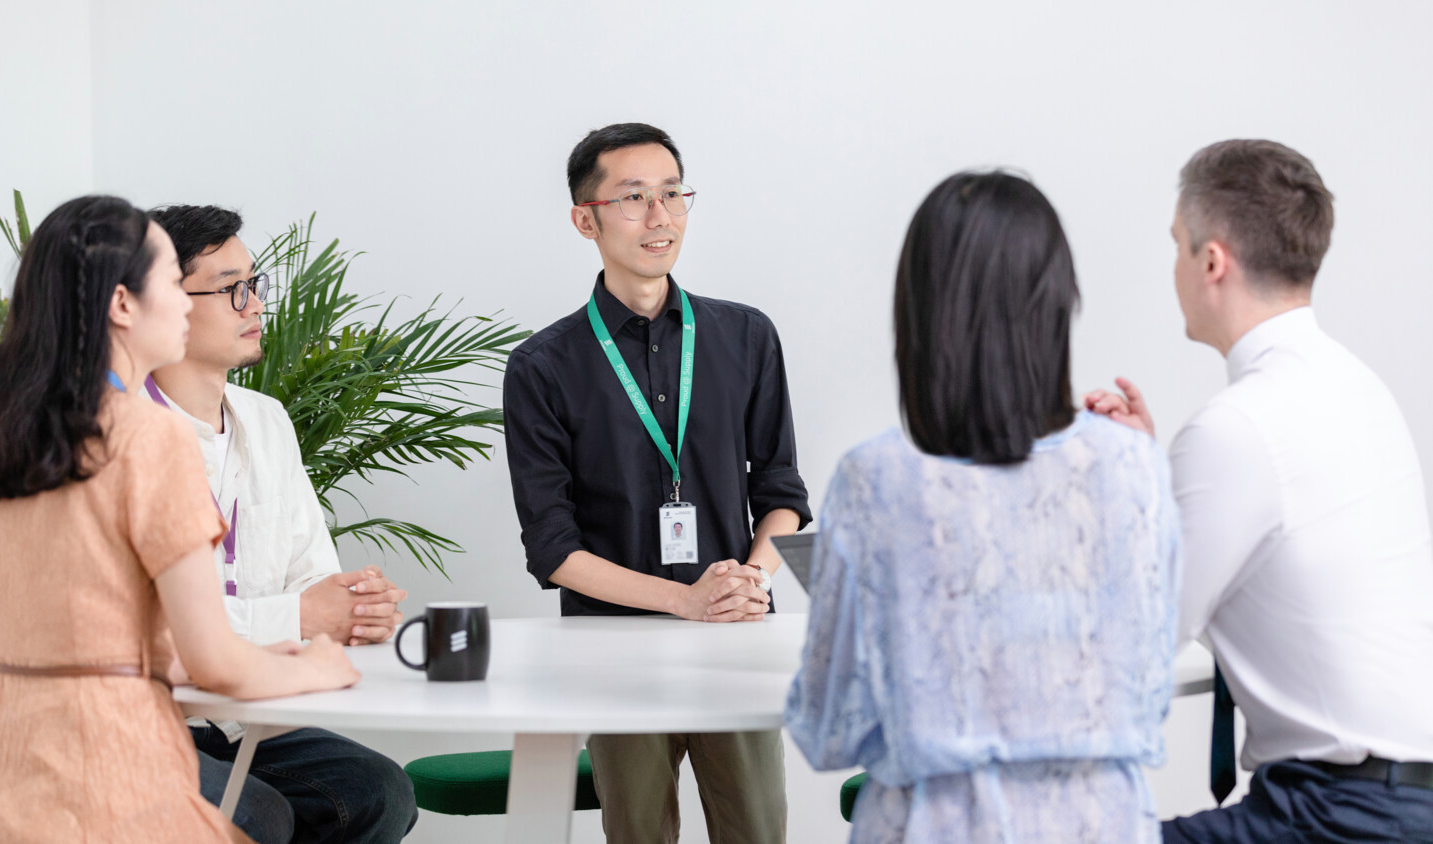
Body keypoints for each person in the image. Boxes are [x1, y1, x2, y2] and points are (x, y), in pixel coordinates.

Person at [0, 195, 359, 843]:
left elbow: (92, 630)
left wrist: (251, 651)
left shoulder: (4, 431)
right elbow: (215, 663)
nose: (187, 305)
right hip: (114, 776)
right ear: (123, 303)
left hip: (7, 768)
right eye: (171, 283)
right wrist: (317, 669)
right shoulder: (148, 435)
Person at [786, 172, 1182, 843]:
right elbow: (1148, 691)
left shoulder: (875, 480)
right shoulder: (1135, 464)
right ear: (1059, 305)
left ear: (919, 314)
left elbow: (827, 729)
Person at [1085, 139, 1433, 842]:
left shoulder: (1237, 428)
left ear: (1211, 262)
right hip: (1397, 801)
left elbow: (1133, 649)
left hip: (1340, 816)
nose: (1174, 267)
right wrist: (1156, 476)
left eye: (1177, 246)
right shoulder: (1357, 389)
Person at [503, 122, 813, 844]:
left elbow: (783, 494)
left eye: (673, 194)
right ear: (586, 219)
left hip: (735, 641)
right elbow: (552, 548)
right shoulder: (543, 366)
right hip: (613, 650)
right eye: (634, 197)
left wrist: (746, 581)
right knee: (639, 834)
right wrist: (684, 600)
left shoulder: (746, 336)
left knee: (757, 831)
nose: (661, 217)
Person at [147, 205, 419, 844]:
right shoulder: (121, 434)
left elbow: (315, 577)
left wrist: (353, 608)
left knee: (377, 792)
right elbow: (151, 630)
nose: (255, 305)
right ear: (164, 303)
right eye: (231, 288)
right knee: (255, 815)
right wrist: (299, 617)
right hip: (155, 714)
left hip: (251, 714)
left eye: (256, 283)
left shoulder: (266, 420)